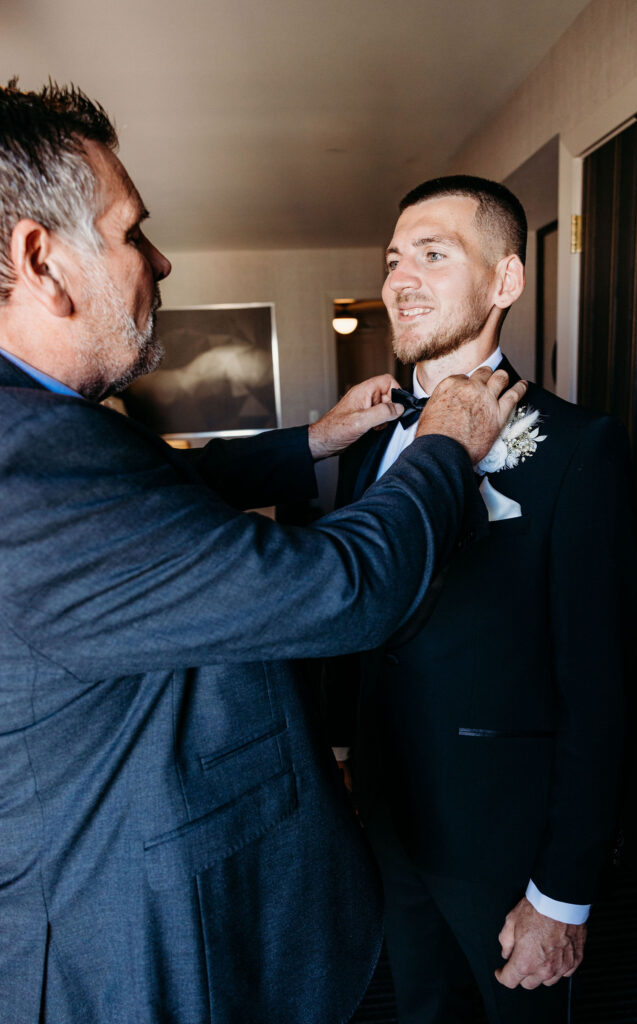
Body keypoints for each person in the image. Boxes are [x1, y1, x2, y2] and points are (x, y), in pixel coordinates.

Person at [0, 85, 527, 1024]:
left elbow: (153, 503)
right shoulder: (29, 457)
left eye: (430, 255)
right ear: (40, 260)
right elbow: (342, 589)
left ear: (504, 281)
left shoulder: (44, 433)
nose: (160, 259)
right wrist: (445, 446)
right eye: (132, 233)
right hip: (133, 949)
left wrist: (309, 442)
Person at [328, 175, 636, 1023]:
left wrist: (562, 894)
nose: (400, 279)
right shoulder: (367, 442)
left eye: (433, 254)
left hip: (506, 841)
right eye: (394, 259)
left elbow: (601, 687)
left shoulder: (580, 448)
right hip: (390, 825)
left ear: (505, 281)